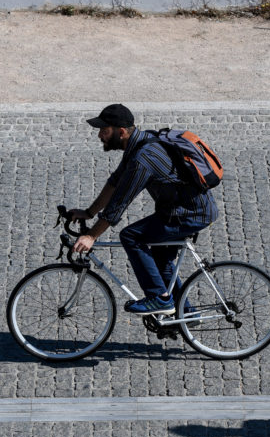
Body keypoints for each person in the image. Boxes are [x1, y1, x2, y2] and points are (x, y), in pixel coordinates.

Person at [68, 104, 218, 315]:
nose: (100, 135)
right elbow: (115, 182)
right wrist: (89, 212)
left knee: (131, 236)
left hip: (189, 214)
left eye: (104, 130)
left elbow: (119, 204)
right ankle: (187, 314)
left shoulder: (143, 159)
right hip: (181, 209)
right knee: (160, 258)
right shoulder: (139, 143)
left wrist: (91, 236)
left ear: (121, 132)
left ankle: (159, 298)